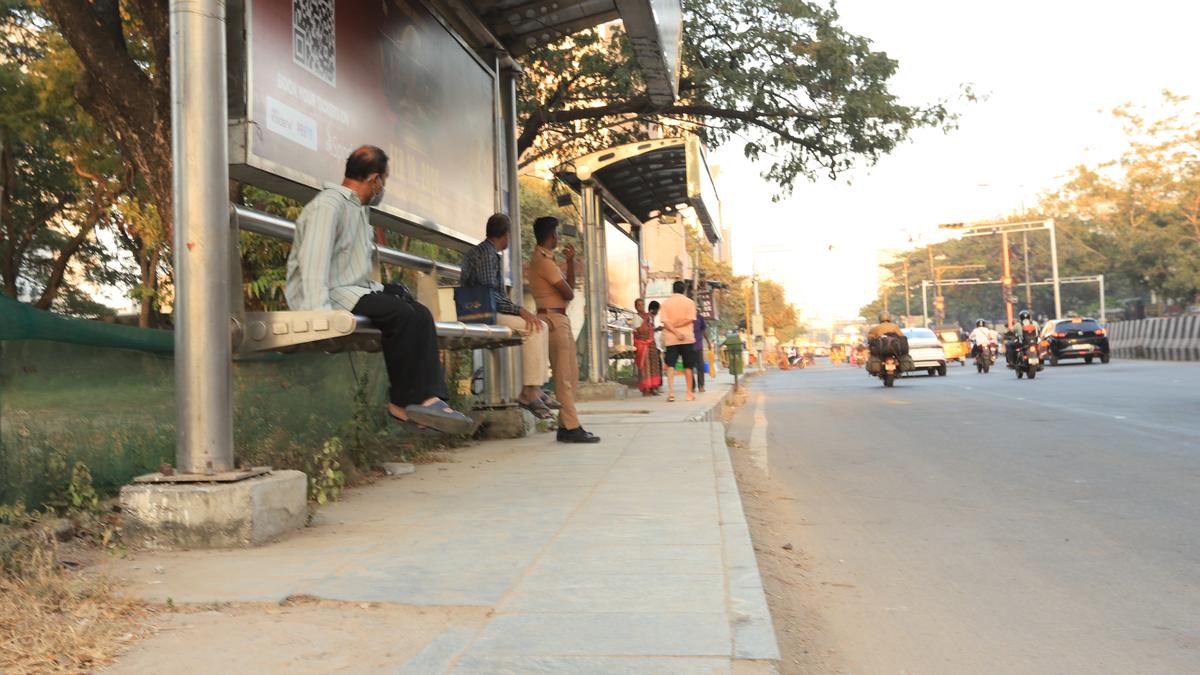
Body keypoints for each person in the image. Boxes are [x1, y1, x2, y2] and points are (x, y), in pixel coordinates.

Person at [286, 145, 473, 434]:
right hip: (329, 295)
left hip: (353, 291)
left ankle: (428, 399)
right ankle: (403, 402)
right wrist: (318, 319)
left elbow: (353, 270)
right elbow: (313, 263)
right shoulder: (328, 205)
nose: (383, 187)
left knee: (419, 312)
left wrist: (385, 288)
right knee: (401, 315)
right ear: (374, 179)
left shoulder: (358, 211)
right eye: (383, 180)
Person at [460, 213, 554, 419]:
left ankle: (535, 388)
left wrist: (518, 309)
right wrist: (519, 310)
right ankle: (528, 392)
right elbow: (489, 293)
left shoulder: (487, 252)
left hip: (487, 310)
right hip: (482, 313)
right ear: (505, 234)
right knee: (535, 327)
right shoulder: (486, 253)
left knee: (540, 325)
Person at [528, 216, 600, 443]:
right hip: (553, 318)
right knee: (563, 377)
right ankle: (571, 426)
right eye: (556, 233)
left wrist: (569, 263)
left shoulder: (547, 260)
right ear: (552, 235)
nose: (558, 237)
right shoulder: (544, 262)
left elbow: (568, 288)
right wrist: (564, 276)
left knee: (569, 374)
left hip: (558, 316)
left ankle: (565, 425)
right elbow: (568, 293)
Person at [659, 280, 698, 402]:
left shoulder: (665, 303)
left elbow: (665, 322)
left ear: (673, 290)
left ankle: (671, 393)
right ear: (684, 290)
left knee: (671, 366)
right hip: (687, 338)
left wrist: (675, 331)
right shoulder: (690, 303)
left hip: (671, 340)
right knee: (688, 367)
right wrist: (680, 331)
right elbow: (690, 319)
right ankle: (689, 394)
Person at [633, 298, 662, 396]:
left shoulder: (648, 316)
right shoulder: (636, 317)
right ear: (636, 307)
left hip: (651, 344)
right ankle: (646, 388)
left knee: (654, 366)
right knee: (645, 367)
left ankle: (654, 387)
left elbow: (651, 327)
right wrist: (646, 321)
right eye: (639, 305)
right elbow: (639, 330)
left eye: (642, 304)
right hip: (643, 344)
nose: (641, 306)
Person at [688, 292, 712, 393]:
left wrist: (708, 342)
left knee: (700, 367)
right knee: (689, 367)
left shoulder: (699, 317)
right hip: (688, 345)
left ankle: (701, 386)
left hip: (698, 345)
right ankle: (692, 386)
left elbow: (703, 330)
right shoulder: (687, 318)